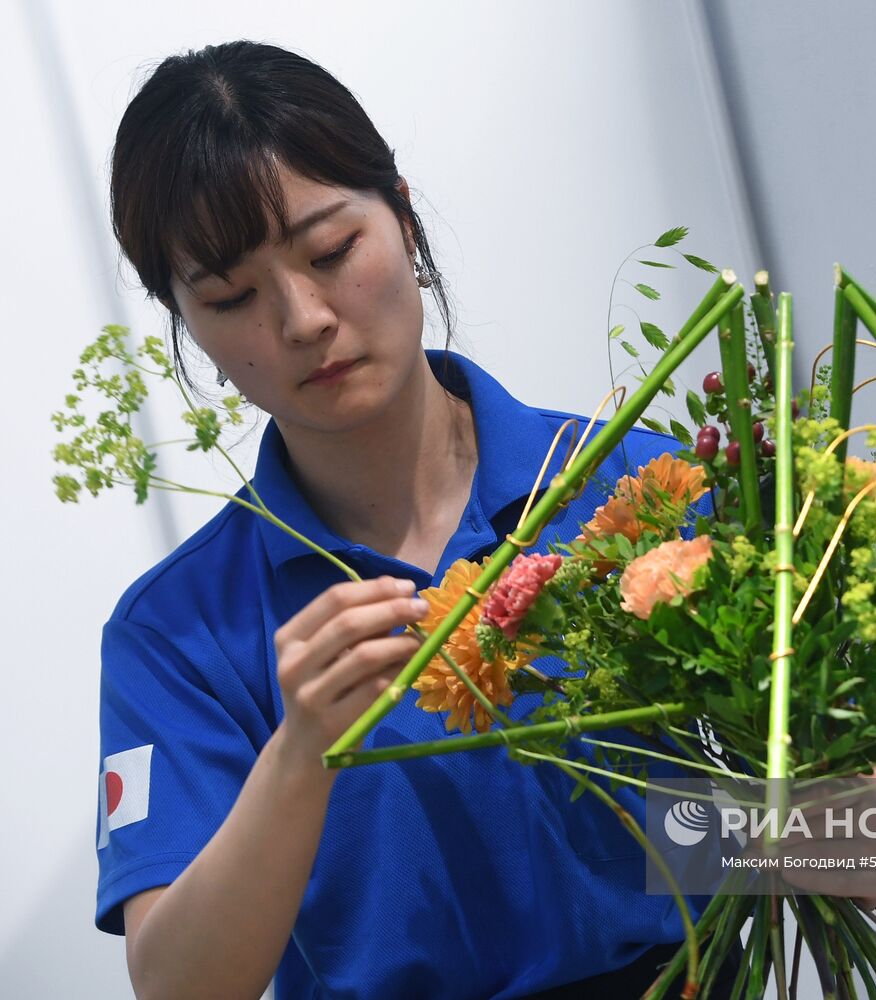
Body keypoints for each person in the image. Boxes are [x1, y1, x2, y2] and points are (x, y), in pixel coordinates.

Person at [95, 39, 746, 999]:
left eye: (330, 252)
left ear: (402, 214)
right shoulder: (179, 631)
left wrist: (852, 837)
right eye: (232, 296)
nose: (304, 318)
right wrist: (299, 755)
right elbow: (180, 988)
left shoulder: (636, 488)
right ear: (183, 319)